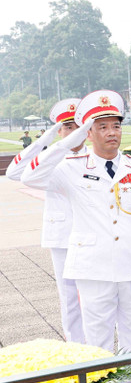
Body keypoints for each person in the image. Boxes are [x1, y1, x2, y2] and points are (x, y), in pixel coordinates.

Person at [20, 90, 131, 383]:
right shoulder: (69, 168)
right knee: (96, 343)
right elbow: (27, 175)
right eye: (102, 126)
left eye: (116, 125)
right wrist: (66, 143)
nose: (112, 132)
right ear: (88, 131)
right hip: (93, 268)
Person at [7, 99, 85, 343]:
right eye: (67, 128)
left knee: (98, 297)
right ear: (59, 131)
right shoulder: (50, 160)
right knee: (69, 297)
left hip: (92, 235)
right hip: (62, 236)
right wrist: (45, 140)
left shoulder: (95, 156)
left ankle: (98, 349)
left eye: (77, 127)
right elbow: (13, 173)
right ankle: (76, 348)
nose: (73, 134)